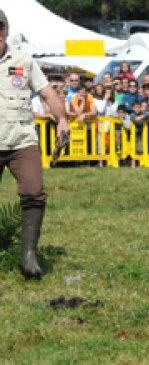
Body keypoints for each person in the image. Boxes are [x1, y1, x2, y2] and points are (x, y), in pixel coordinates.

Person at [0, 9, 69, 279]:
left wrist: (61, 118)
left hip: (21, 140)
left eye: (0, 28)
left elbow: (46, 92)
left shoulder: (23, 60)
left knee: (33, 192)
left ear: (6, 31)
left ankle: (28, 257)